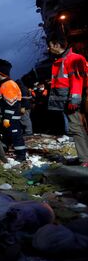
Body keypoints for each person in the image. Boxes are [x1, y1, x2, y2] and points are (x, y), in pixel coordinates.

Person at [47, 38, 88, 167]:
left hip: (74, 100)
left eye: (50, 45)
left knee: (76, 128)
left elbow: (77, 79)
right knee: (78, 127)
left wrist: (74, 99)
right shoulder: (65, 59)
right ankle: (84, 156)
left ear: (57, 44)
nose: (49, 49)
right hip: (70, 99)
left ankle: (84, 159)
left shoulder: (72, 59)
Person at [0, 63, 27, 162]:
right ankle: (3, 151)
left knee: (15, 136)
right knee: (6, 135)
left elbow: (11, 103)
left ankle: (21, 155)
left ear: (2, 74)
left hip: (11, 117)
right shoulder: (4, 84)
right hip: (9, 117)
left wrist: (7, 117)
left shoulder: (8, 85)